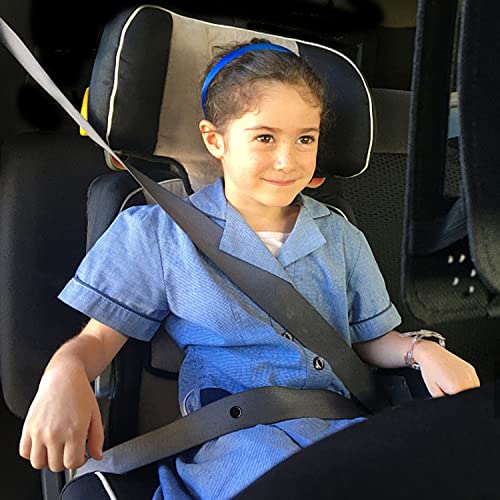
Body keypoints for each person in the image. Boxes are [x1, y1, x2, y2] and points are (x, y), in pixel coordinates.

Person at [19, 39, 481, 499]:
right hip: (237, 440)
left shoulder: (340, 235)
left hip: (340, 428)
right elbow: (98, 340)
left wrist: (421, 351)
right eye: (265, 137)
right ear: (215, 139)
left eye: (305, 139)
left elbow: (369, 338)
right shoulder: (158, 233)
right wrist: (65, 370)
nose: (288, 160)